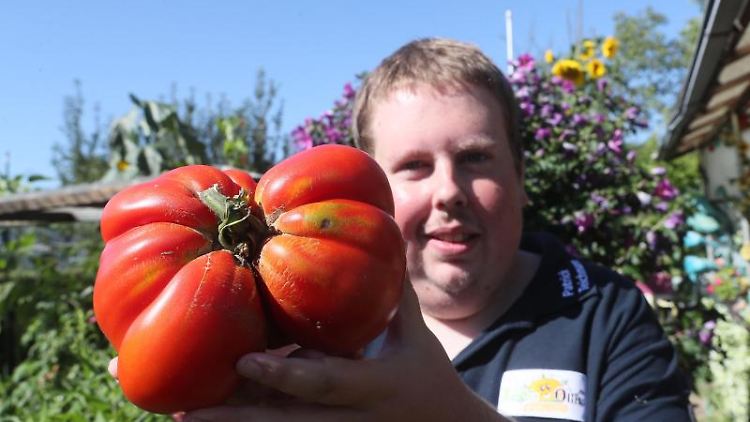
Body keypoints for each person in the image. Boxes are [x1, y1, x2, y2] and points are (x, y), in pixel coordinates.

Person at [125, 38, 694, 421]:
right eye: (414, 167)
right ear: (367, 194)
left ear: (520, 178)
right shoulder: (287, 334)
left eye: (475, 158)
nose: (448, 190)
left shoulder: (603, 313)